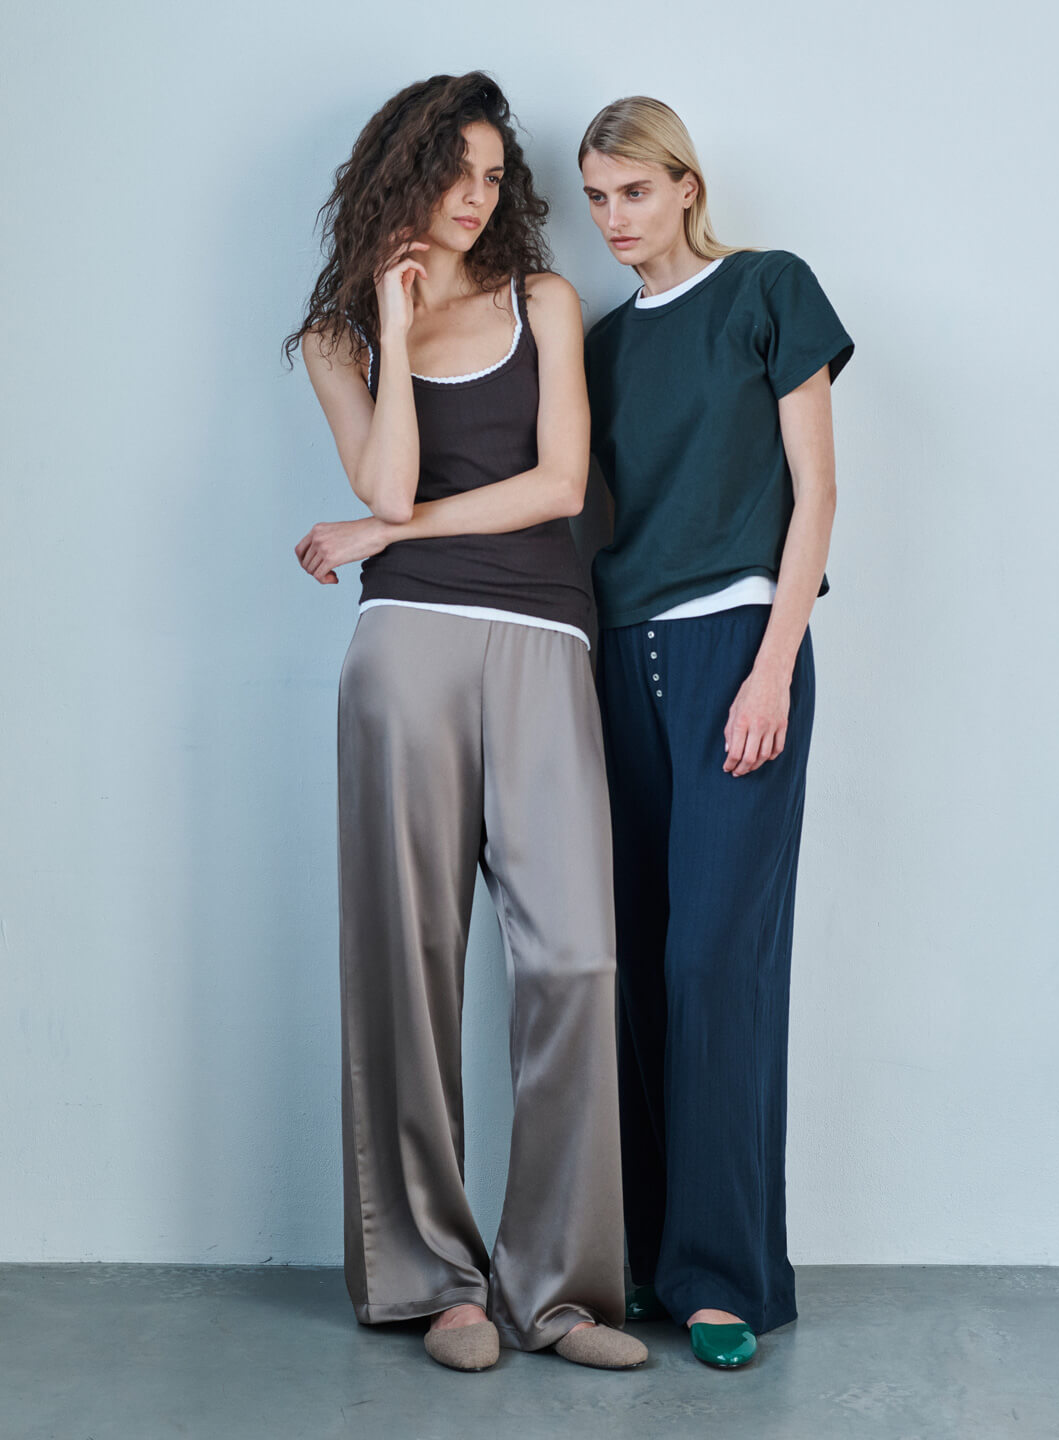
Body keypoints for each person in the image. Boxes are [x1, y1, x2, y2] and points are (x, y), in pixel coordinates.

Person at [283, 71, 647, 1374]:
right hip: (405, 654)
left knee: (576, 960)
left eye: (498, 176)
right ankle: (435, 1282)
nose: (481, 197)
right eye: (460, 172)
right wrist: (389, 310)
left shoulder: (542, 299)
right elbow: (378, 473)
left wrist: (396, 529)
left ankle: (557, 1292)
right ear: (406, 170)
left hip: (545, 641)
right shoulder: (338, 335)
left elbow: (557, 487)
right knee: (407, 961)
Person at [578, 95, 854, 1369]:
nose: (613, 220)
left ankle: (727, 1274)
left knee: (714, 965)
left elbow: (818, 496)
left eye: (632, 192)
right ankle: (642, 1257)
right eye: (594, 198)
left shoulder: (769, 289)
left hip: (738, 648)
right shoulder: (597, 344)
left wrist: (771, 669)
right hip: (614, 662)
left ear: (686, 184)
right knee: (635, 960)